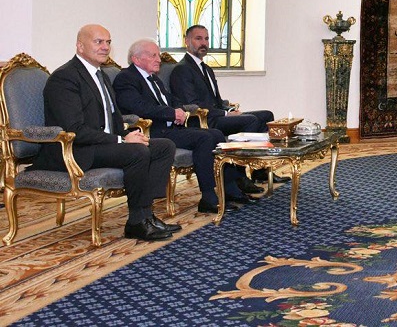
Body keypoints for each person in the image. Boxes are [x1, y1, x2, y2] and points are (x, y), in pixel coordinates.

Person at [32, 25, 178, 241]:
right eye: (98, 42)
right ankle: (136, 222)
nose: (105, 47)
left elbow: (113, 120)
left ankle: (147, 213)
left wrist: (130, 134)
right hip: (76, 150)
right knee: (137, 152)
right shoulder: (65, 77)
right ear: (80, 46)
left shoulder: (101, 76)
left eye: (108, 42)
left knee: (164, 146)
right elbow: (74, 129)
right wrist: (121, 140)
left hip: (103, 144)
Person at [112, 39, 259, 214]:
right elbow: (139, 107)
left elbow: (172, 100)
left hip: (171, 128)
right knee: (204, 138)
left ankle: (229, 188)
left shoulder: (154, 79)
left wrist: (179, 110)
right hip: (154, 132)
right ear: (136, 59)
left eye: (158, 55)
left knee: (216, 134)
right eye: (153, 55)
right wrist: (171, 113)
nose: (158, 59)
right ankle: (208, 198)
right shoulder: (126, 78)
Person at [170, 24, 285, 184]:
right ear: (187, 41)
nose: (204, 43)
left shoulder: (206, 69)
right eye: (198, 38)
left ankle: (260, 171)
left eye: (206, 39)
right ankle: (240, 178)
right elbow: (192, 105)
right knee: (250, 120)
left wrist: (229, 109)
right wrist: (225, 114)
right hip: (204, 121)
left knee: (266, 115)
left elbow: (217, 101)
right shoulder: (182, 69)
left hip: (218, 115)